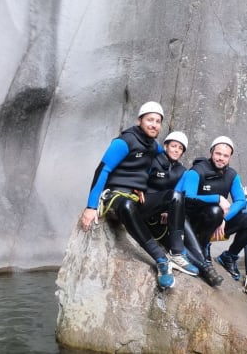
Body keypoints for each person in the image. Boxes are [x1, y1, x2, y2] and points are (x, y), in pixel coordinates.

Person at [80, 102, 197, 289]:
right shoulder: (125, 141)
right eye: (150, 120)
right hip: (115, 197)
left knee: (175, 196)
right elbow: (102, 170)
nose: (154, 125)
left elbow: (168, 155)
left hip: (136, 200)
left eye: (158, 121)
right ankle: (160, 259)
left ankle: (176, 253)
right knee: (127, 205)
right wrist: (90, 206)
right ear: (139, 120)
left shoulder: (154, 146)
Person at [176, 136, 247, 280]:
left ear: (230, 158)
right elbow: (187, 197)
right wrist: (217, 198)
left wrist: (225, 219)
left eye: (225, 155)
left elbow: (240, 200)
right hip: (195, 223)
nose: (221, 158)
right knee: (215, 210)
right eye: (218, 154)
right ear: (211, 153)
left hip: (217, 223)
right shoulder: (197, 170)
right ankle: (201, 248)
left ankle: (229, 257)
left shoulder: (232, 175)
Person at [146, 131, 223, 286]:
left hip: (166, 217)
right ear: (165, 146)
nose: (176, 150)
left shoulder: (182, 171)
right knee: (176, 242)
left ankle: (206, 268)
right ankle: (206, 267)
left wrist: (169, 211)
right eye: (173, 146)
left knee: (181, 242)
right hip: (148, 211)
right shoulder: (153, 161)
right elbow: (141, 182)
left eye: (180, 148)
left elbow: (178, 193)